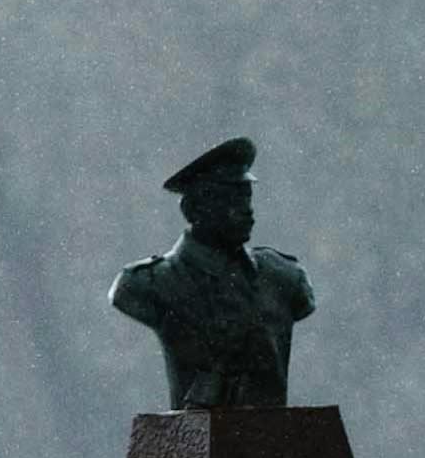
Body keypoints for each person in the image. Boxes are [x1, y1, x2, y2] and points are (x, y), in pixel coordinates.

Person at [110, 136, 316, 409]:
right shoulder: (150, 284)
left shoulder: (283, 278)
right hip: (200, 436)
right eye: (231, 201)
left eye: (247, 199)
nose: (247, 212)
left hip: (275, 441)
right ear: (194, 210)